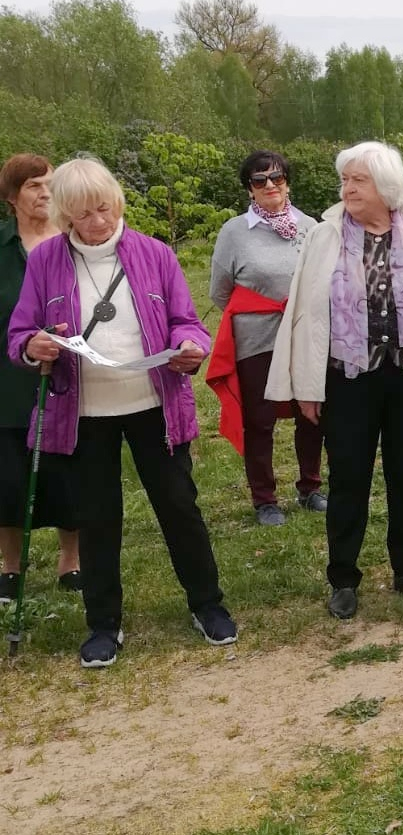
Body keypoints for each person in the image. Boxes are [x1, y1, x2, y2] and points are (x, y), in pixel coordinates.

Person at [8, 156, 237, 669]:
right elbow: (20, 333)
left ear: (117, 202)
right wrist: (33, 346)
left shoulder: (155, 253)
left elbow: (187, 321)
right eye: (84, 213)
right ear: (65, 215)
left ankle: (208, 604)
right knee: (97, 517)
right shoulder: (46, 261)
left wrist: (190, 345)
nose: (98, 221)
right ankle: (103, 624)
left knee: (178, 506)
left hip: (154, 404)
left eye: (105, 208)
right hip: (84, 412)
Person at [266, 141, 403, 620]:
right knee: (348, 480)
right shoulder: (323, 238)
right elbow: (305, 314)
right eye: (345, 180)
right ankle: (343, 579)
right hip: (347, 379)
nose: (347, 188)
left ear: (386, 187)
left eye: (358, 180)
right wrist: (306, 387)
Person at [207, 150, 325, 527]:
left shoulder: (311, 227)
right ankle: (265, 499)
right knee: (259, 419)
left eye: (277, 178)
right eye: (260, 180)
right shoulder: (234, 232)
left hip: (303, 336)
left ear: (287, 183)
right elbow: (220, 291)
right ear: (250, 189)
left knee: (311, 413)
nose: (270, 185)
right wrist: (262, 309)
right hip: (256, 339)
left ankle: (310, 487)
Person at [0, 154, 81, 601]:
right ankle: (11, 566)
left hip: (69, 378)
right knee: (9, 477)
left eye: (50, 183)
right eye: (33, 185)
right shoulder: (2, 247)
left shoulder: (73, 243)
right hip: (9, 382)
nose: (45, 192)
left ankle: (72, 560)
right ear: (12, 197)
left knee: (69, 474)